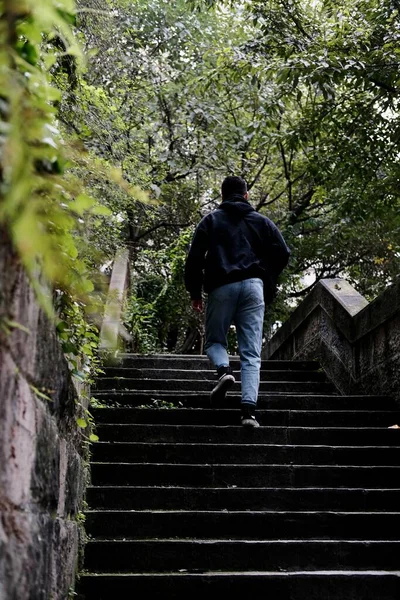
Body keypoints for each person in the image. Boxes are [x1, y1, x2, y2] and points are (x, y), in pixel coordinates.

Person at [184, 175, 290, 427]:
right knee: (251, 352)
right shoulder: (261, 222)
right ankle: (248, 413)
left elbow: (194, 259)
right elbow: (283, 252)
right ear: (246, 195)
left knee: (214, 341)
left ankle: (223, 371)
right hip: (254, 286)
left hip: (221, 286)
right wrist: (265, 273)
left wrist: (195, 293)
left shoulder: (210, 220)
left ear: (222, 196)